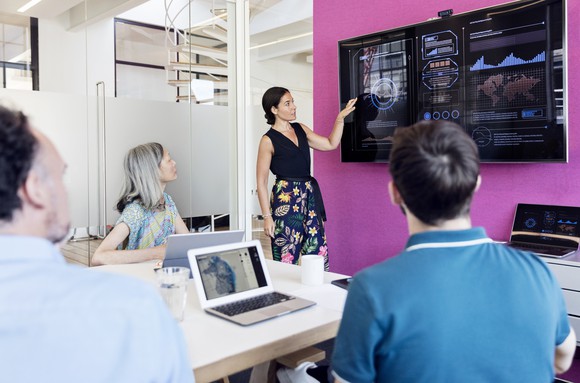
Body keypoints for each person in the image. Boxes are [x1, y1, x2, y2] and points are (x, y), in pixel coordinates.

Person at [331, 120, 576, 382]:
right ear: (475, 184)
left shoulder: (371, 288)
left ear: (395, 194)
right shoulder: (536, 270)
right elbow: (563, 358)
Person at [0, 104, 194, 382]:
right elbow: (101, 256)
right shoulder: (133, 307)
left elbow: (185, 239)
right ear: (35, 190)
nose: (67, 191)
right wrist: (160, 251)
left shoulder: (168, 203)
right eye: (60, 176)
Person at [256, 87, 357, 270]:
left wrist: (340, 119)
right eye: (288, 103)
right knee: (286, 256)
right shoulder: (268, 140)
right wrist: (267, 217)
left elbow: (330, 144)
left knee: (318, 252)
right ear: (274, 109)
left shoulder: (300, 128)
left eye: (293, 101)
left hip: (309, 196)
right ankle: (286, 296)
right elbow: (261, 183)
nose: (294, 106)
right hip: (285, 198)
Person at [92, 142, 189, 266]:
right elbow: (99, 257)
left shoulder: (167, 202)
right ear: (152, 169)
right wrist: (155, 253)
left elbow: (187, 242)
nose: (174, 162)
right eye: (169, 160)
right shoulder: (135, 212)